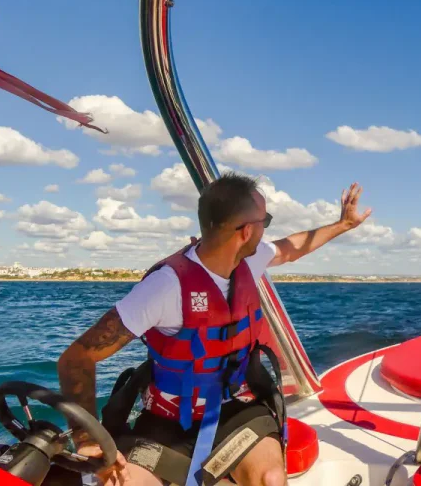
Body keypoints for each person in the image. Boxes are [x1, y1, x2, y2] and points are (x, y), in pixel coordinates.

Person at [57, 173, 373, 486]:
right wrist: (87, 441)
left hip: (236, 407)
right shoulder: (166, 286)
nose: (265, 231)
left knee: (271, 479)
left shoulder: (250, 258)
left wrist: (342, 224)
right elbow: (76, 358)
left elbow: (292, 249)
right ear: (247, 231)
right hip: (167, 418)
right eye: (266, 220)